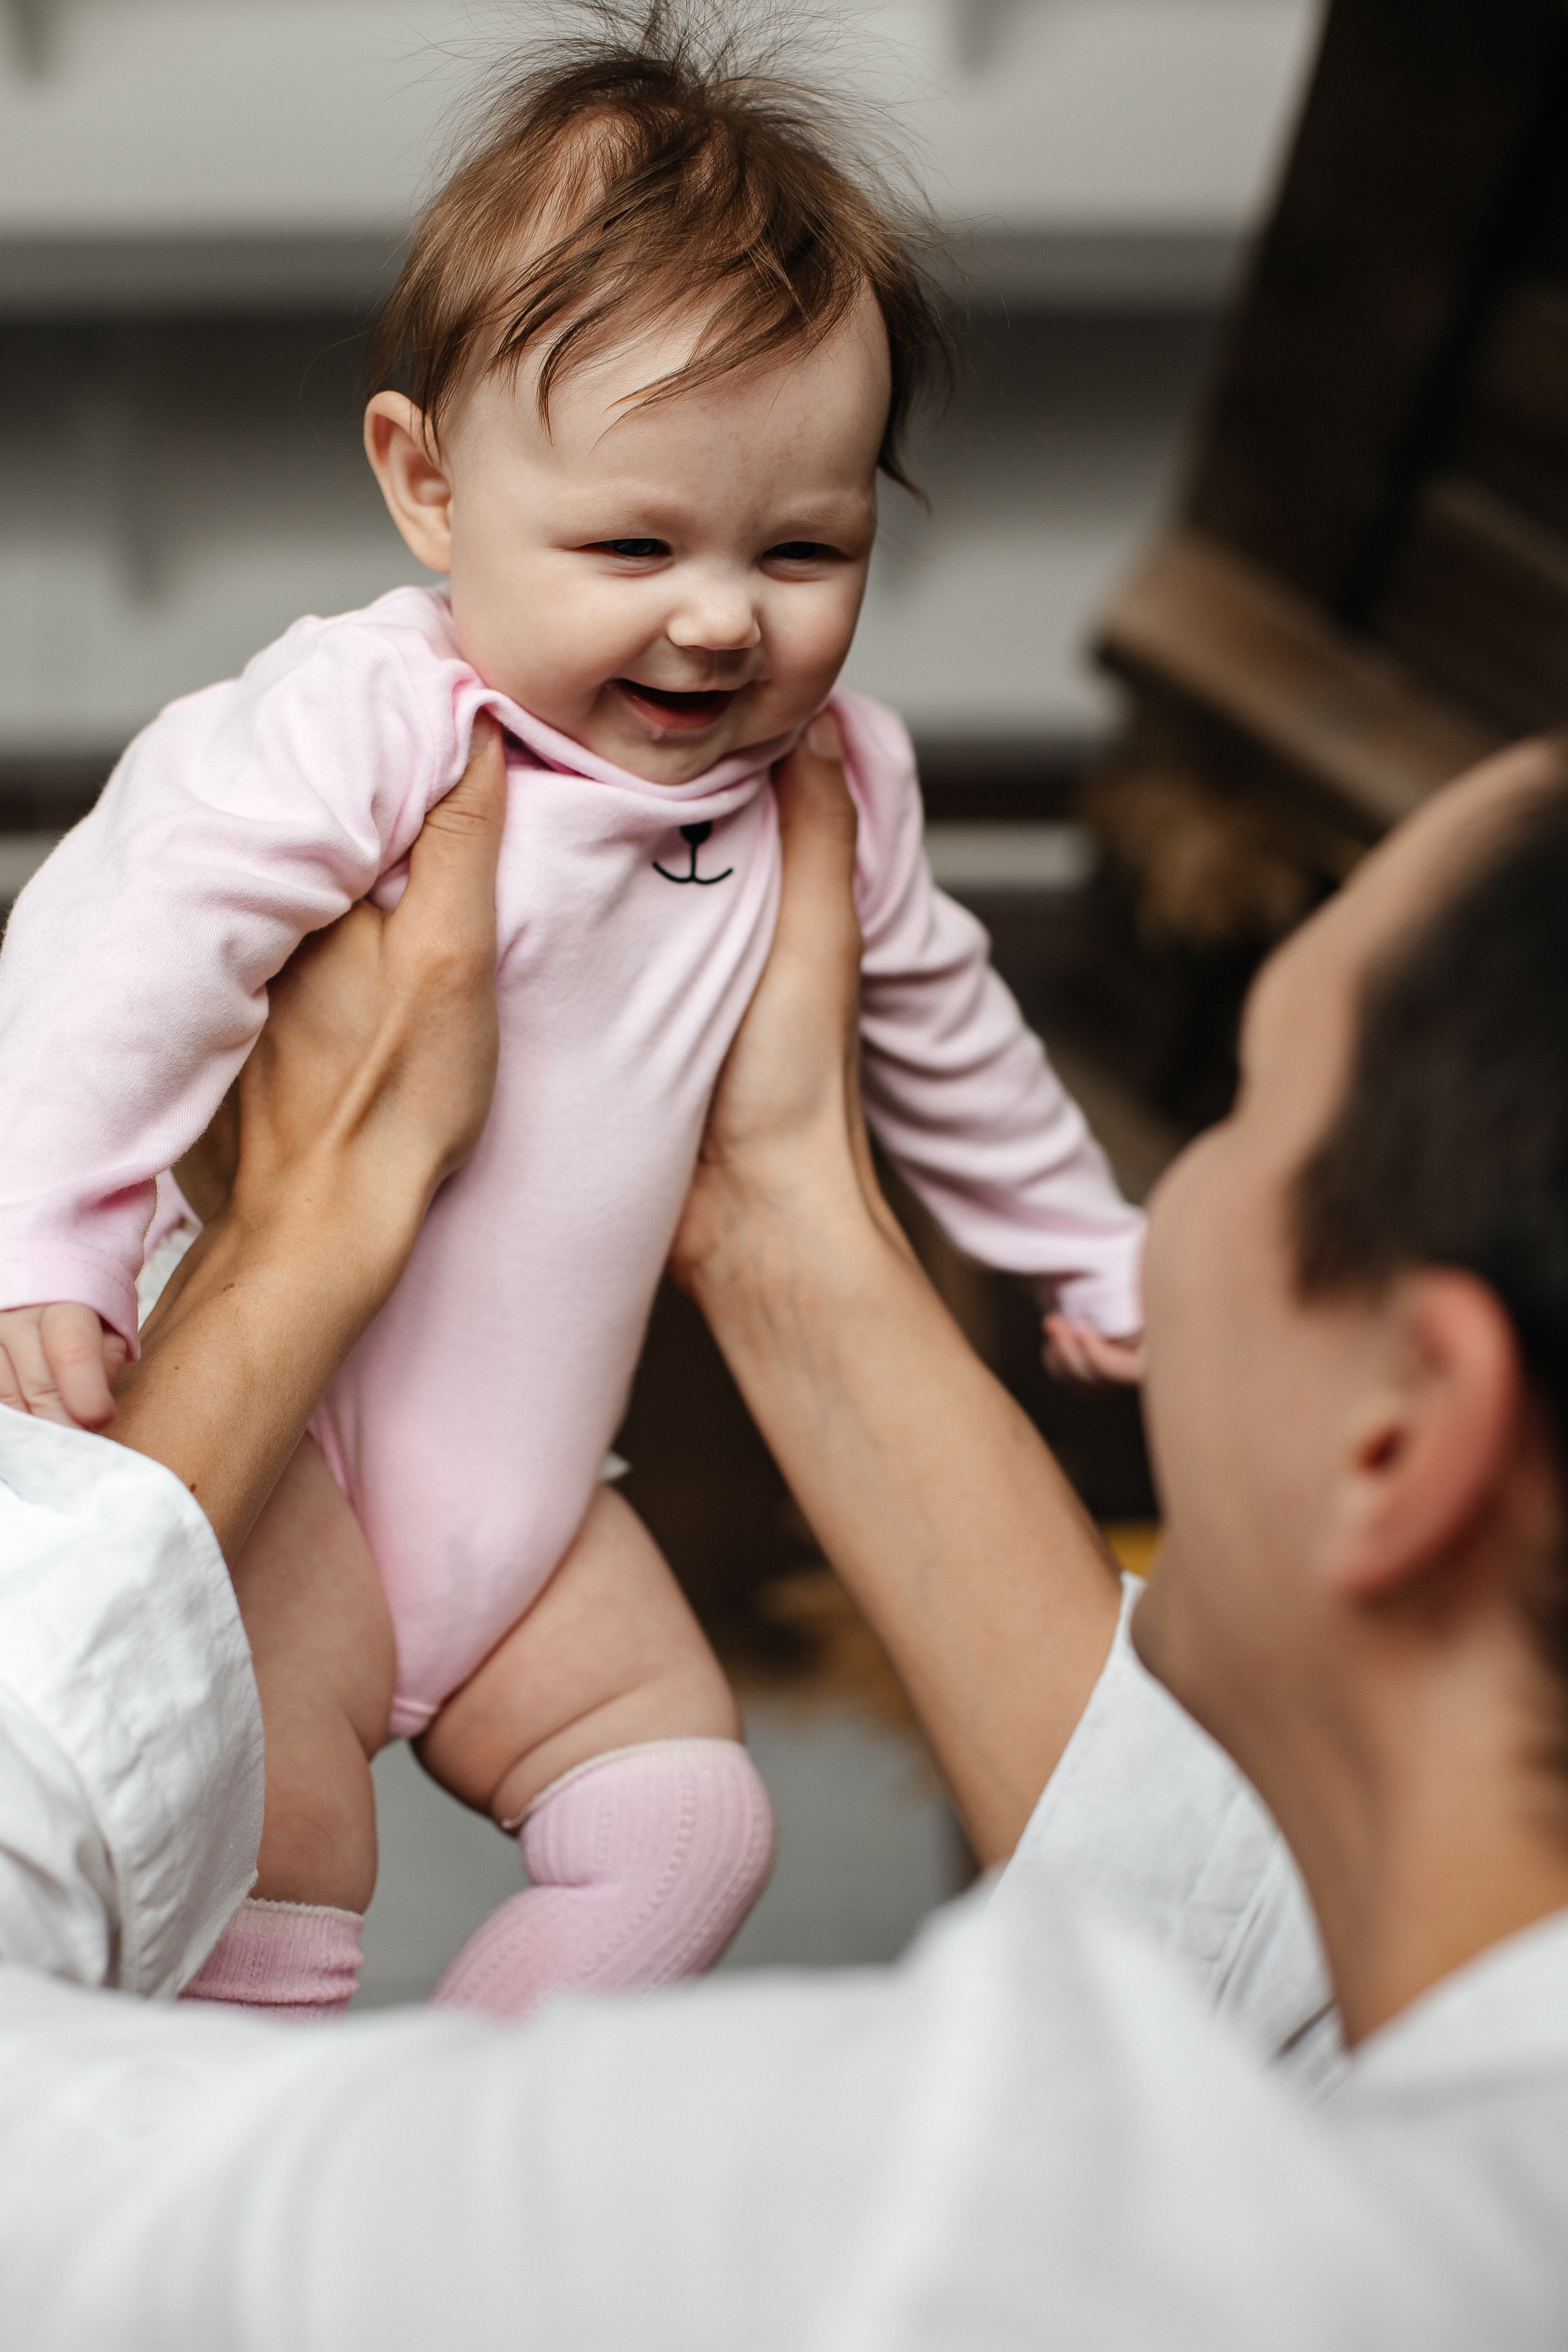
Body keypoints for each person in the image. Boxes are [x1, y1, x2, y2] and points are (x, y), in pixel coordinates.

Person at [5, 706, 1568, 2345]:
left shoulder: (885, 2224)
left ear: (1404, 1432)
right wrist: (780, 1208)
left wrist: (313, 1222)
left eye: (1245, 1110)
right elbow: (1236, 1929)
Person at [0, 17, 1144, 2027]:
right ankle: (269, 2234)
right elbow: (123, 940)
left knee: (694, 1823)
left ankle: (455, 2122)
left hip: (537, 1508)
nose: (721, 619)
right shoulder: (376, 721)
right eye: (635, 547)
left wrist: (1081, 1241)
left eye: (805, 551)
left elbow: (948, 1025)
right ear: (428, 487)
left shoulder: (833, 783)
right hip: (306, 1479)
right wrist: (46, 1236)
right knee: (272, 1875)